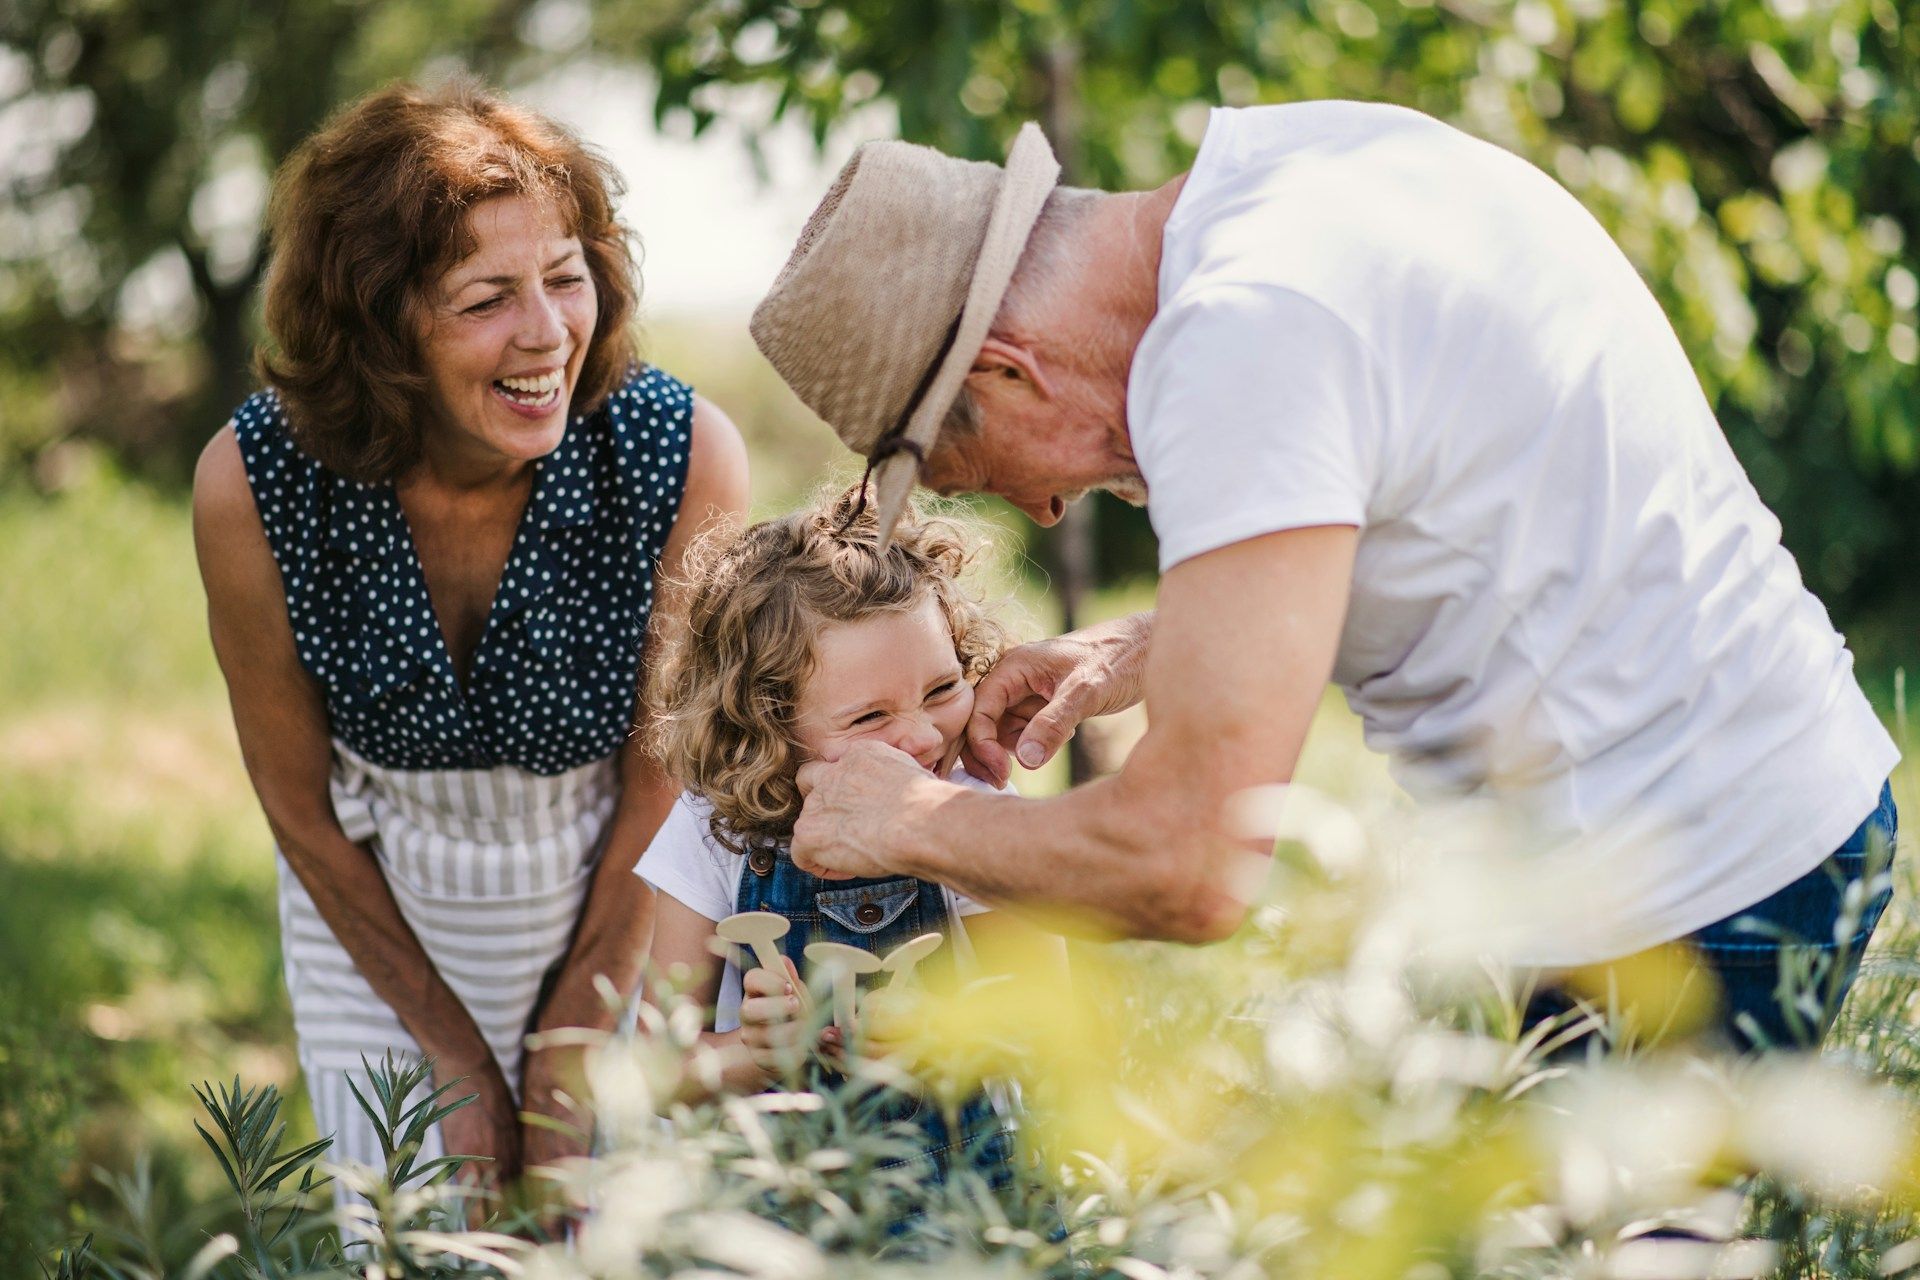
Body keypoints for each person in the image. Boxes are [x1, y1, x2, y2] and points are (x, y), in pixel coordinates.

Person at [746, 102, 1898, 1050]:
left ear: (1005, 367)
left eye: (980, 468)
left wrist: (916, 817)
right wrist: (1145, 645)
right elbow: (1427, 503)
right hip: (1737, 820)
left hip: (1706, 882)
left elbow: (1190, 862)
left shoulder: (1239, 342)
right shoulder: (1298, 169)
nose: (1041, 509)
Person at [191, 78, 748, 1195]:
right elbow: (297, 804)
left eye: (564, 278)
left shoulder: (678, 454)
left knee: (617, 1232)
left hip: (629, 898)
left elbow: (666, 779)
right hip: (377, 927)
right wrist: (448, 1049)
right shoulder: (255, 482)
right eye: (486, 297)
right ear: (382, 320)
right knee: (411, 1241)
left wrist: (573, 1037)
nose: (546, 333)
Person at [637, 490, 1063, 1205]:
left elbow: (1048, 1024)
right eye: (869, 716)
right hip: (780, 1220)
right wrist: (752, 1051)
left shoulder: (971, 810)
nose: (924, 738)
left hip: (965, 1212)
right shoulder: (716, 829)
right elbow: (660, 1070)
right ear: (768, 721)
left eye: (943, 687)